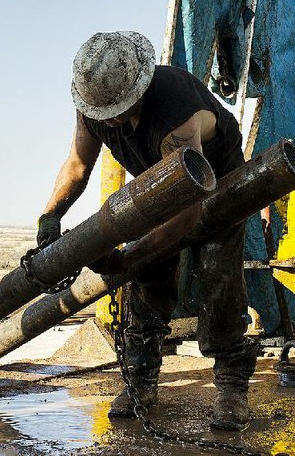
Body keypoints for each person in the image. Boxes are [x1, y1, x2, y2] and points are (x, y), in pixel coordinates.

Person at [37, 31, 256, 431]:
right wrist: (50, 216)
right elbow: (77, 166)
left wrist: (129, 256)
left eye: (117, 111)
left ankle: (231, 389)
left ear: (139, 88)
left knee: (217, 275)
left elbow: (188, 211)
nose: (111, 121)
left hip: (218, 181)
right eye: (103, 113)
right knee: (148, 283)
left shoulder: (176, 112)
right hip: (160, 182)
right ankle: (141, 384)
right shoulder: (94, 108)